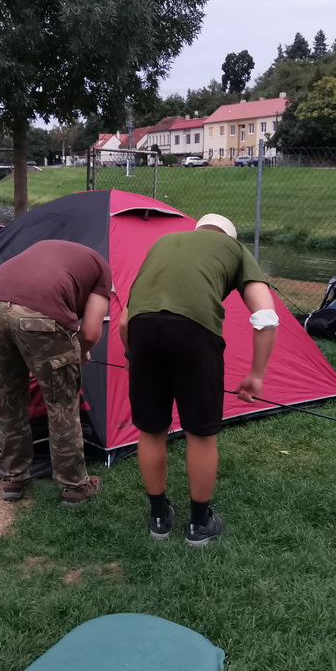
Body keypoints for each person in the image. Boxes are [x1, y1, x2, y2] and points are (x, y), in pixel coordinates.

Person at [120, 213, 278, 547]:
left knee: (151, 429)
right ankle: (199, 524)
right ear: (228, 237)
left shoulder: (162, 243)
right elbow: (265, 316)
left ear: (197, 230)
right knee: (200, 433)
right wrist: (256, 375)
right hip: (195, 332)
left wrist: (134, 356)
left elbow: (124, 321)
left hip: (141, 329)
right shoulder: (234, 249)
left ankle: (159, 518)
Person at [0, 240, 112, 505]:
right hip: (39, 315)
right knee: (61, 404)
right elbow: (90, 333)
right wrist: (78, 352)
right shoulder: (102, 268)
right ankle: (75, 485)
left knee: (8, 399)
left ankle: (12, 478)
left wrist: (73, 349)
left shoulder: (47, 249)